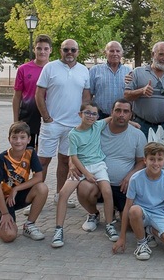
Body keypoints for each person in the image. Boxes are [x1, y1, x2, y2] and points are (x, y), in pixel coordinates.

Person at [51, 103, 117, 248]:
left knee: (107, 191)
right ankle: (58, 230)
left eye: (94, 114)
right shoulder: (73, 134)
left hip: (98, 165)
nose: (90, 116)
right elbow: (74, 156)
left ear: (97, 116)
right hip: (81, 167)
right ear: (80, 114)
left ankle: (109, 225)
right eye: (87, 113)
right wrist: (86, 174)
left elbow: (112, 118)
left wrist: (132, 122)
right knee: (63, 194)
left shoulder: (98, 125)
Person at [75, 99, 146, 233]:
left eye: (126, 112)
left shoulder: (138, 135)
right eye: (118, 110)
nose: (121, 115)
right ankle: (93, 214)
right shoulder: (97, 130)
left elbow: (142, 161)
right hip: (97, 182)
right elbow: (76, 146)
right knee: (84, 188)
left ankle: (116, 209)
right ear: (111, 112)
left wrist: (130, 176)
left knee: (132, 225)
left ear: (131, 115)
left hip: (123, 186)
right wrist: (73, 164)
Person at [35, 39, 91, 207]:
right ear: (60, 51)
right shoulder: (50, 67)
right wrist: (46, 117)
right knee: (42, 161)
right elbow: (39, 94)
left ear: (78, 52)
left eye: (73, 50)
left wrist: (82, 119)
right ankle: (33, 197)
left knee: (66, 162)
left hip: (73, 125)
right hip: (52, 124)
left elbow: (86, 96)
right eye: (66, 49)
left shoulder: (83, 71)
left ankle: (60, 196)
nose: (70, 53)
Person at [112, 142, 164, 260]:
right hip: (141, 213)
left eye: (159, 159)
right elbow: (127, 206)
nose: (155, 163)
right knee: (134, 210)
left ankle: (150, 230)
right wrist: (122, 237)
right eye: (152, 159)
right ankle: (142, 243)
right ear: (145, 160)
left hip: (158, 213)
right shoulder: (135, 178)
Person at [0, 122, 48, 243]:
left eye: (22, 137)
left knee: (42, 188)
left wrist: (16, 189)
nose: (18, 141)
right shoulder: (2, 158)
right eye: (14, 137)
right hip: (2, 200)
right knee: (9, 236)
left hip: (15, 197)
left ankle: (29, 225)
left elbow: (38, 177)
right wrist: (5, 213)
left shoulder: (30, 153)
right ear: (9, 139)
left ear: (29, 139)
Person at [124, 41, 164, 137]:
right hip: (141, 125)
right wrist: (141, 91)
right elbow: (126, 96)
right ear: (152, 54)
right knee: (141, 151)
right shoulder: (137, 72)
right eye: (161, 54)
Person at [13, 34, 52, 149]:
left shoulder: (55, 69)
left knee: (42, 153)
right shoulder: (23, 69)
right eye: (39, 48)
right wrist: (16, 121)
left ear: (51, 50)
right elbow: (17, 96)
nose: (42, 52)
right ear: (34, 49)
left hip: (48, 116)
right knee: (25, 151)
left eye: (46, 49)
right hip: (27, 116)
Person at [89, 41, 132, 119]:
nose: (115, 53)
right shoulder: (95, 70)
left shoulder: (129, 71)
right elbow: (89, 95)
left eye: (118, 51)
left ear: (122, 53)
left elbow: (131, 95)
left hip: (122, 116)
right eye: (111, 51)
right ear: (105, 53)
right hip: (100, 116)